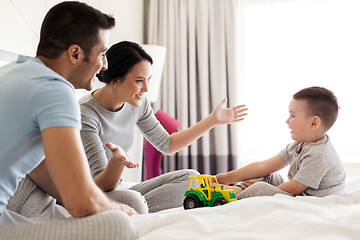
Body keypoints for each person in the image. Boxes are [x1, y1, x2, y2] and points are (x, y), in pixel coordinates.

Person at [0, 2, 138, 240]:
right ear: (75, 53)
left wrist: (100, 201)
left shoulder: (14, 72)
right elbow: (81, 204)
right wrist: (119, 209)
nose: (105, 65)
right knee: (118, 225)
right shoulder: (55, 91)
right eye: (102, 54)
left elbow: (42, 171)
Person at [78, 41, 249, 213]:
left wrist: (212, 120)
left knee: (191, 177)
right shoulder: (85, 114)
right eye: (139, 81)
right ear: (115, 80)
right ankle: (135, 208)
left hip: (117, 191)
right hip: (90, 193)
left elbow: (167, 144)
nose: (146, 88)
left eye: (148, 80)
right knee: (134, 200)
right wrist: (117, 163)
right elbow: (100, 185)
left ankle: (135, 208)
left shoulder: (138, 104)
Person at [216, 86, 346, 199]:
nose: (287, 120)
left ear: (313, 123)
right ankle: (237, 190)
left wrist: (262, 189)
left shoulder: (319, 154)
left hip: (309, 199)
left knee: (260, 188)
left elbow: (295, 188)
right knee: (269, 176)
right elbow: (263, 166)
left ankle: (233, 195)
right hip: (297, 191)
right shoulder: (300, 144)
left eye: (293, 116)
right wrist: (227, 177)